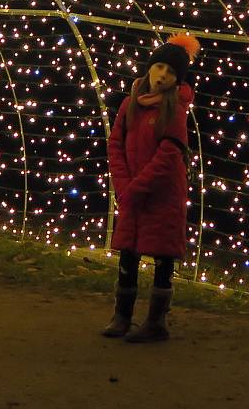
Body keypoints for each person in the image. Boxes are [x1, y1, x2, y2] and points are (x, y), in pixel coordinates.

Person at [101, 32, 199, 342]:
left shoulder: (175, 110)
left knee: (162, 257)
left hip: (162, 195)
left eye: (170, 73)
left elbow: (169, 156)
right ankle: (122, 316)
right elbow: (115, 144)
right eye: (159, 68)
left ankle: (157, 322)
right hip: (132, 193)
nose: (163, 76)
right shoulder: (131, 104)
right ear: (150, 68)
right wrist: (123, 184)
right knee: (127, 254)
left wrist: (135, 187)